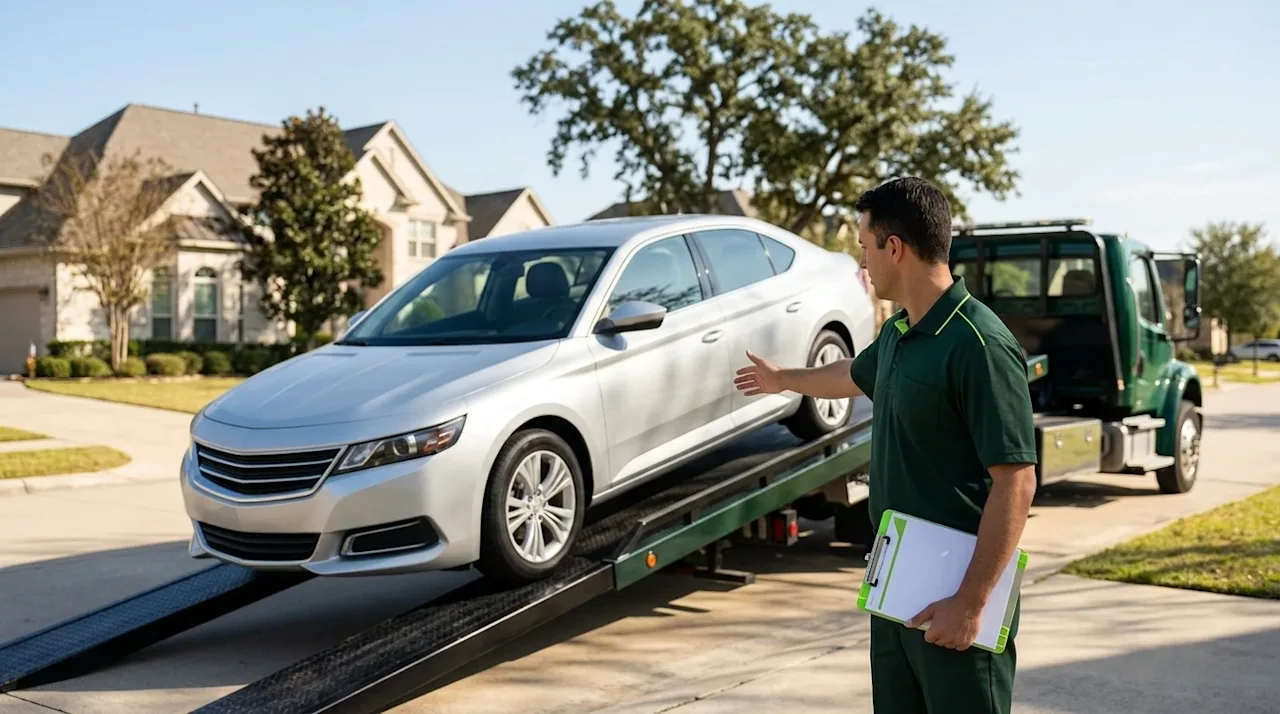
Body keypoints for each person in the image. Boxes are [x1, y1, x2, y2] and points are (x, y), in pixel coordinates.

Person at [733, 177, 1037, 714]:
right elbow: (852, 374)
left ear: (893, 247)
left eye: (864, 246)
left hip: (957, 592)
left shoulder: (979, 344)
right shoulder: (900, 334)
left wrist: (970, 603)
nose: (862, 263)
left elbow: (1016, 481)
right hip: (897, 585)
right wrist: (785, 379)